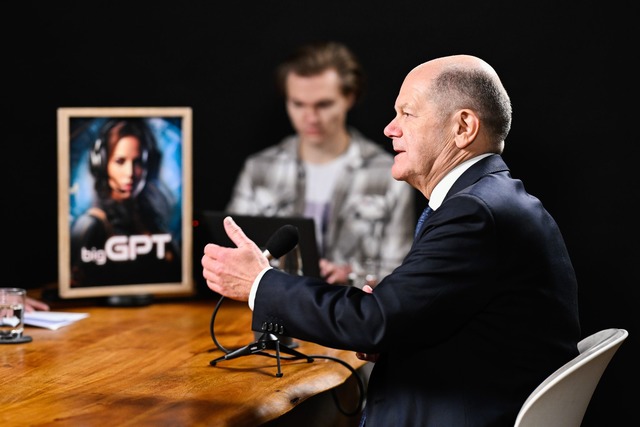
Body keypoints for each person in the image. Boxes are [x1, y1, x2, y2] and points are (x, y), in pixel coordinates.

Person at [202, 54, 581, 426]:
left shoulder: (475, 213)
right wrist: (395, 327)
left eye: (407, 114)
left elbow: (374, 321)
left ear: (463, 127)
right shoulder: (492, 200)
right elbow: (443, 323)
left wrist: (259, 283)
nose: (390, 128)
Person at [225, 41, 415, 287]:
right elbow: (236, 253)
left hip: (350, 314)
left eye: (323, 105)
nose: (311, 118)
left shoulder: (390, 174)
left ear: (350, 97)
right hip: (273, 312)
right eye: (298, 104)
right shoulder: (258, 169)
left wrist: (350, 276)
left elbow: (401, 273)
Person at [70, 118, 181, 287]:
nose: (130, 173)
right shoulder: (92, 225)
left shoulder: (154, 222)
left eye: (138, 162)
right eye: (120, 161)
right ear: (101, 164)